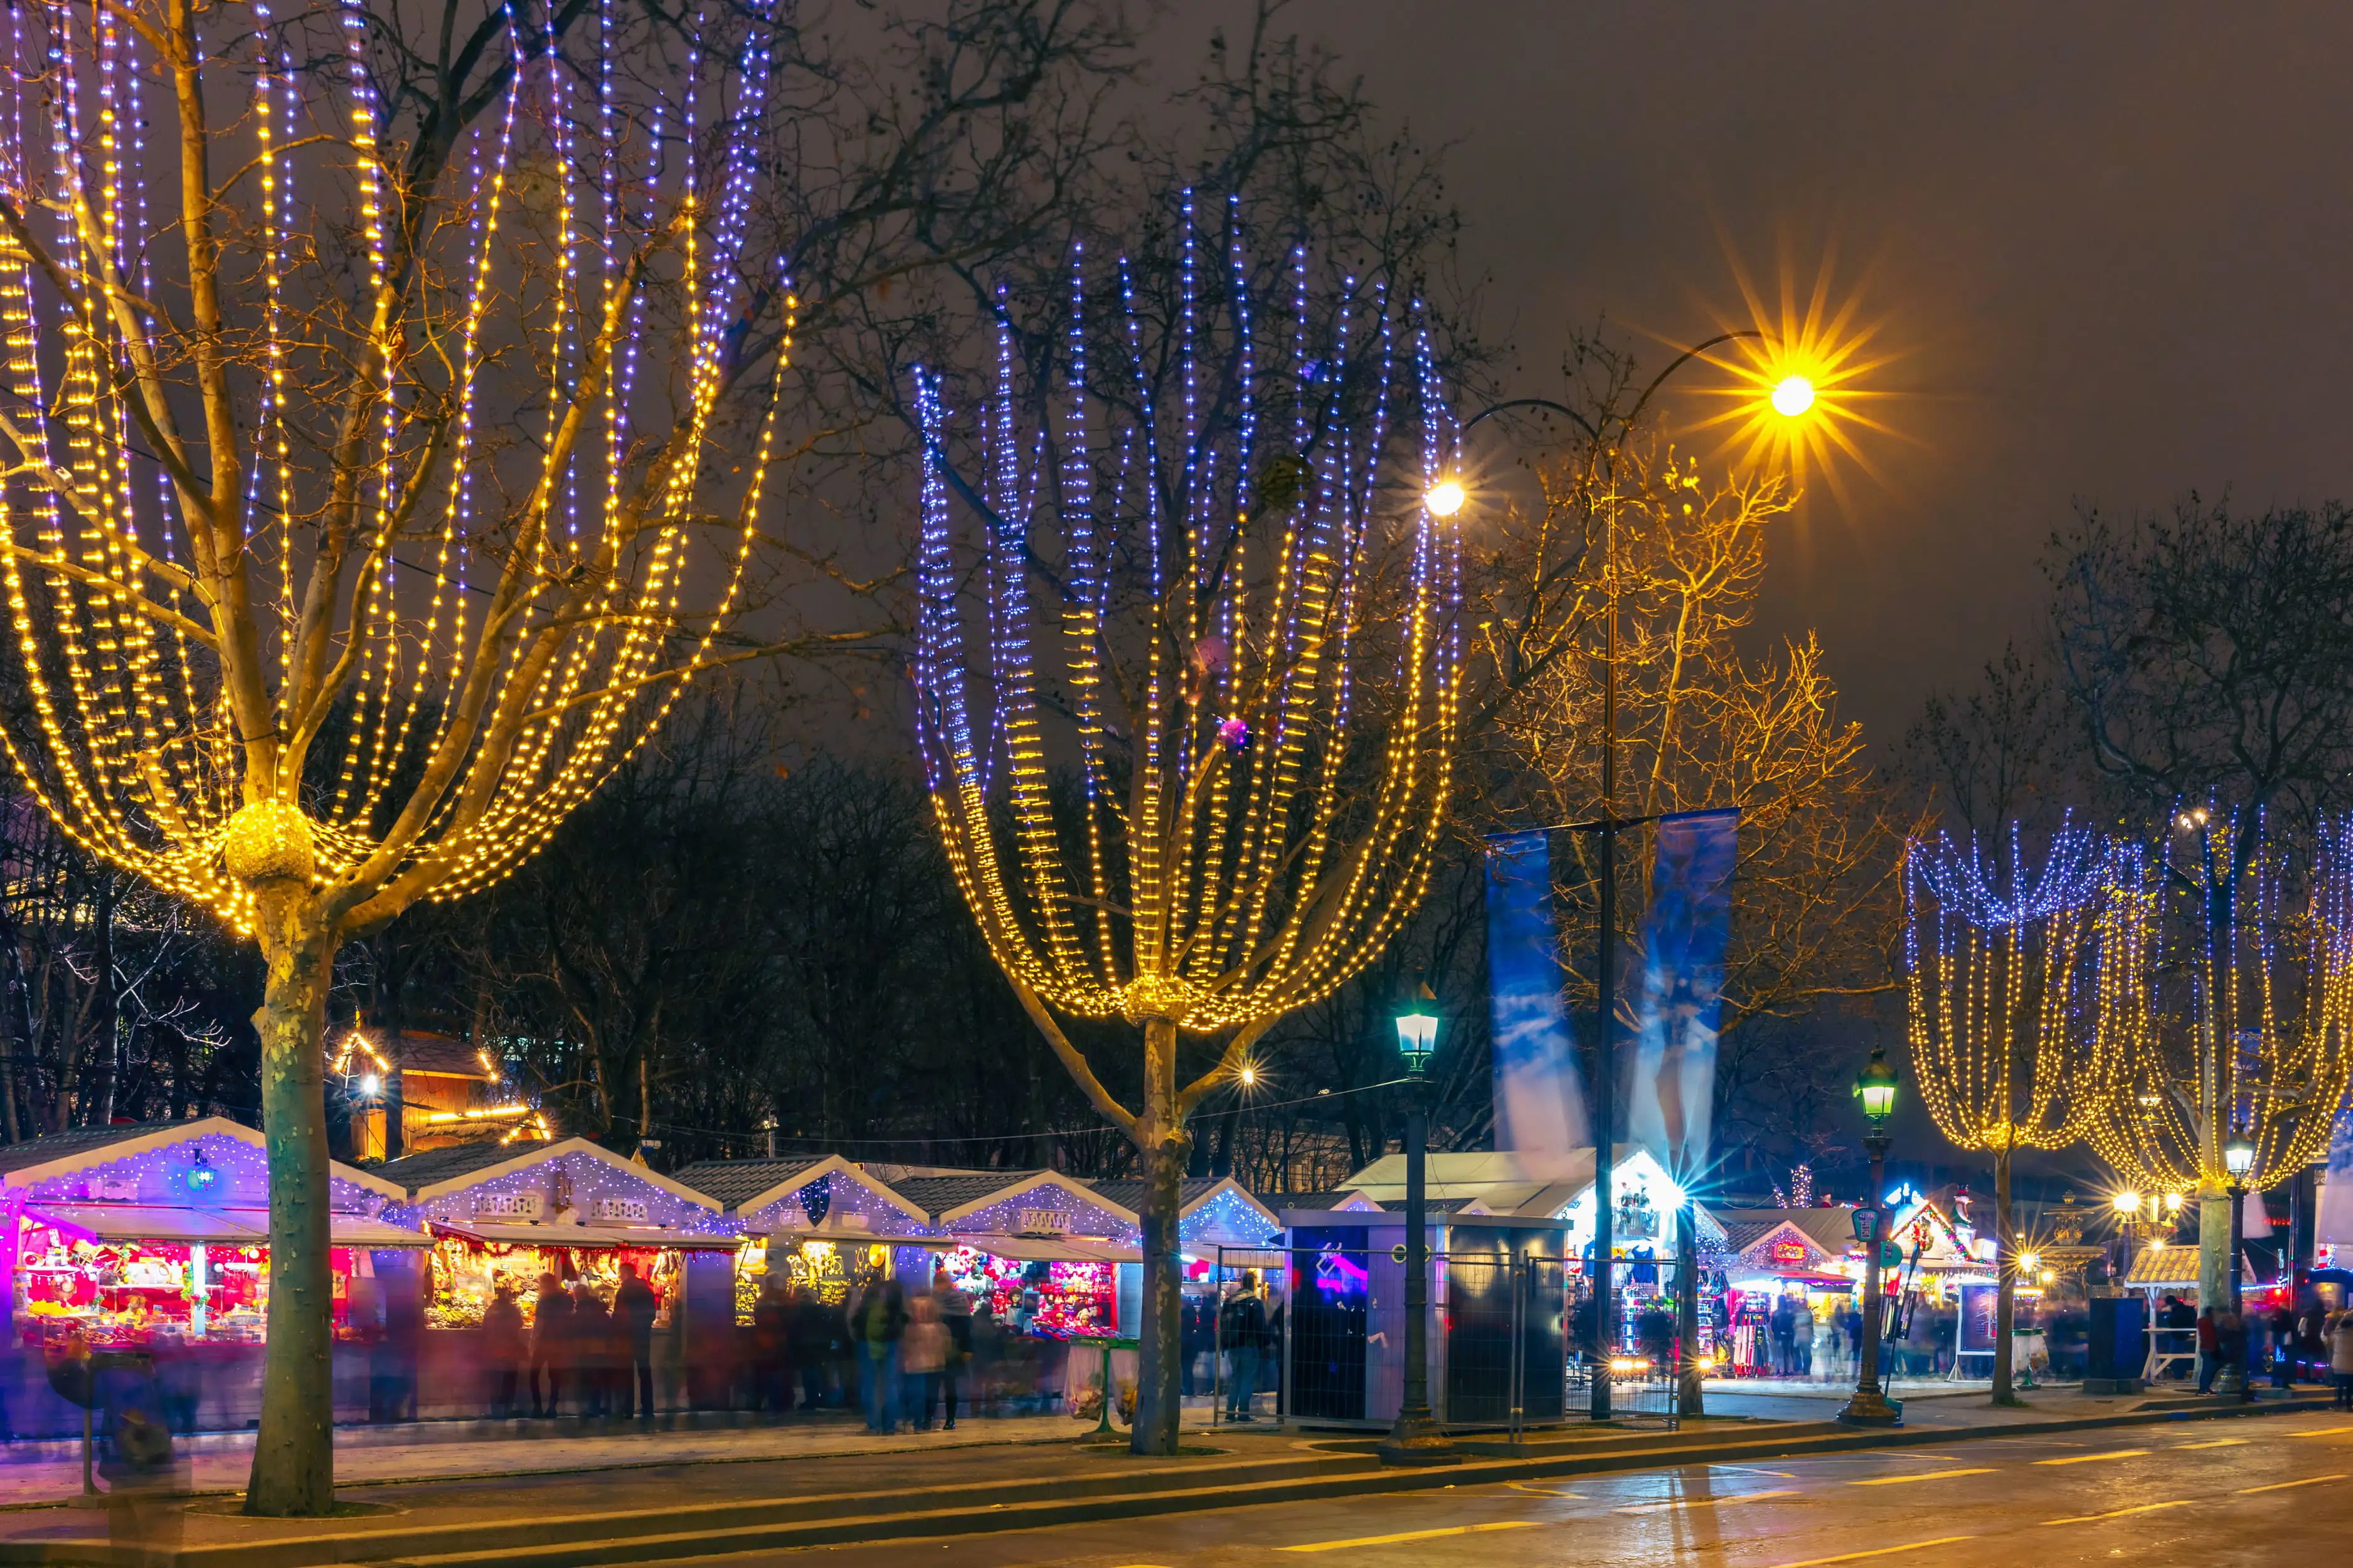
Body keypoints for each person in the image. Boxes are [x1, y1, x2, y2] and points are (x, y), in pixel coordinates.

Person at [855, 1279, 907, 1433]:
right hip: (889, 1344)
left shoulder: (866, 1307)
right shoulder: (895, 1305)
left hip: (867, 1345)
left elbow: (855, 1323)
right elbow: (902, 1324)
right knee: (891, 1385)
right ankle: (889, 1424)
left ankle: (873, 1423)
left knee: (869, 1385)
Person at [614, 1263, 661, 1419]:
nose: (619, 1276)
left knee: (627, 1373)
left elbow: (618, 1315)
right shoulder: (647, 1291)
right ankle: (648, 1409)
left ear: (626, 1273)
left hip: (627, 1337)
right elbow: (652, 1314)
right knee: (645, 1372)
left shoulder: (624, 1292)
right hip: (642, 1336)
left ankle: (628, 1410)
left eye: (620, 1273)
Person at [1219, 1273, 1268, 1422]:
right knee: (1247, 1379)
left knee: (1236, 1377)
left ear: (1241, 1283)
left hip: (1233, 1346)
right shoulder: (1255, 1302)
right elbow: (1261, 1327)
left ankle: (1230, 1412)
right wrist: (1264, 1344)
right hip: (1249, 1345)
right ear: (1253, 1284)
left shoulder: (1230, 1301)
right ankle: (1244, 1413)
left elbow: (1222, 1323)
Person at [935, 1268, 972, 1431]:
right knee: (938, 1385)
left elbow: (966, 1328)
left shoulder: (954, 1300)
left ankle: (949, 1419)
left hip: (951, 1349)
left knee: (948, 1385)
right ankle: (935, 1418)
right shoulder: (935, 1300)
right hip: (937, 1348)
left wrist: (966, 1349)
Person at [482, 1285, 526, 1419]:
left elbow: (484, 1328)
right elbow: (520, 1324)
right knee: (509, 1383)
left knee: (495, 1383)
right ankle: (507, 1409)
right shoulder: (513, 1310)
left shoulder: (491, 1310)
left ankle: (496, 1411)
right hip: (511, 1353)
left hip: (493, 1352)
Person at [531, 1271, 571, 1417]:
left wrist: (533, 1342)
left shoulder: (544, 1301)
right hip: (559, 1343)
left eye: (541, 1284)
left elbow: (540, 1324)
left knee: (533, 1374)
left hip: (544, 1343)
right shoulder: (565, 1299)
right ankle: (552, 1407)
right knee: (555, 1377)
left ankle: (537, 1407)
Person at [2329, 1308, 2353, 1411]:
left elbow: (2330, 1343)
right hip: (2350, 1365)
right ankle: (2348, 1405)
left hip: (2338, 1365)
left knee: (2339, 1386)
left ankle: (2338, 1405)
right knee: (2349, 1387)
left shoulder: (2337, 1334)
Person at [2195, 1305, 2220, 1395]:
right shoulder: (2209, 1322)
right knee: (2208, 1369)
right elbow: (2211, 1336)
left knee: (2206, 1369)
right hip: (2209, 1348)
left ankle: (2204, 1388)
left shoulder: (2201, 1322)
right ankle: (2204, 1388)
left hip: (2204, 1348)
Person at [1768, 1296, 1796, 1377]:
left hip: (1778, 1336)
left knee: (1779, 1354)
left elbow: (1773, 1326)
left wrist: (1775, 1332)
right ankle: (1790, 1370)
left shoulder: (1776, 1313)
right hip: (1788, 1336)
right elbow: (1793, 1325)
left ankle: (1781, 1370)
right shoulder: (1790, 1313)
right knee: (1788, 1354)